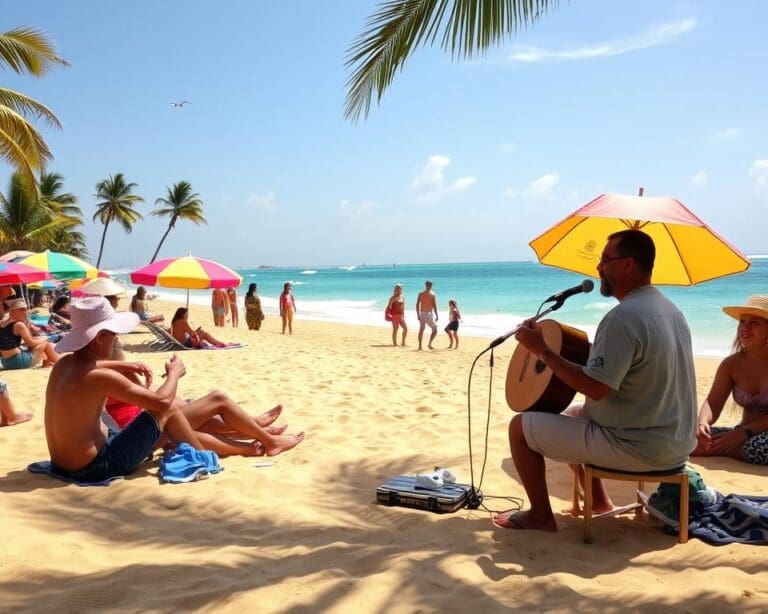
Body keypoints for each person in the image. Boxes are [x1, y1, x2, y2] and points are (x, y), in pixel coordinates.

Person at [495, 229, 697, 531]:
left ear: (628, 265)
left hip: (636, 447)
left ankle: (539, 515)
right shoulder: (671, 310)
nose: (599, 268)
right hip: (675, 444)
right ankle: (599, 501)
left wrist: (543, 352)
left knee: (520, 429)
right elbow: (620, 370)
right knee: (574, 414)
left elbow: (595, 387)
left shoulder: (623, 317)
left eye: (605, 260)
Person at [44, 298, 303, 483]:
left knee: (177, 412)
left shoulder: (65, 365)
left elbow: (90, 365)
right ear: (100, 338)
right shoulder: (98, 377)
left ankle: (249, 439)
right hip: (98, 465)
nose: (116, 340)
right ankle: (252, 445)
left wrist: (127, 363)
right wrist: (174, 373)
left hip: (66, 463)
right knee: (170, 407)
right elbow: (159, 400)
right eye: (113, 335)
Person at [692, 295, 768, 464]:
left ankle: (727, 449)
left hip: (751, 437)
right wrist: (702, 423)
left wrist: (744, 433)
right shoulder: (731, 364)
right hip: (742, 434)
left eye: (754, 323)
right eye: (742, 322)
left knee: (757, 447)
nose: (745, 328)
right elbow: (712, 403)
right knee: (689, 438)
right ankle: (727, 448)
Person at [0, 299, 60, 370]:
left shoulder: (2, 323)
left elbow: (25, 342)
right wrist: (45, 339)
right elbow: (30, 343)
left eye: (26, 309)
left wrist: (28, 326)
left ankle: (48, 364)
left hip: (5, 362)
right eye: (22, 310)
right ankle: (61, 364)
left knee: (39, 343)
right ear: (13, 311)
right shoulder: (19, 325)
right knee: (45, 344)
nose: (25, 312)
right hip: (17, 362)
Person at [415, 280, 438, 350]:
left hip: (422, 313)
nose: (429, 286)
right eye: (429, 285)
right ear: (427, 285)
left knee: (421, 329)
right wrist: (437, 314)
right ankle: (429, 344)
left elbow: (417, 304)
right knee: (435, 329)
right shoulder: (432, 294)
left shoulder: (420, 294)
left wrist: (418, 314)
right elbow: (434, 305)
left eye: (430, 285)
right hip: (428, 314)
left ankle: (420, 346)